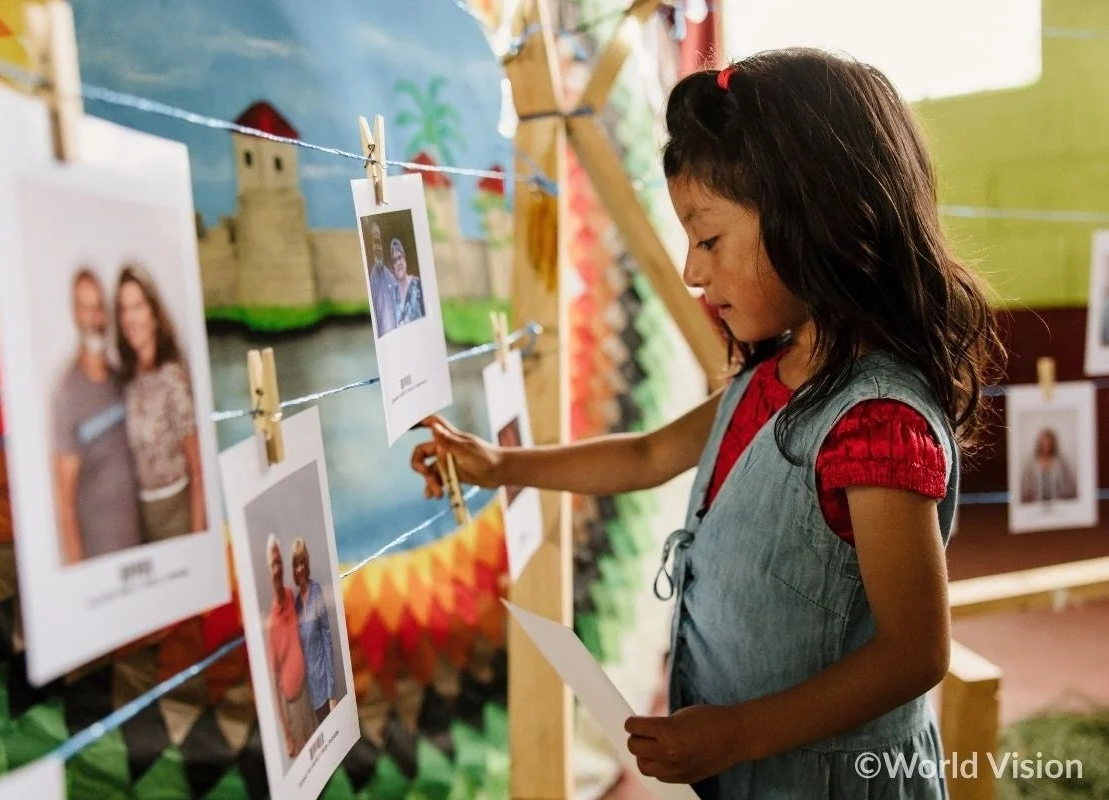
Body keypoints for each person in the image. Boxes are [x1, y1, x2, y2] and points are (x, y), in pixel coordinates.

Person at [411, 49, 1003, 798]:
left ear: (815, 218)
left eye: (710, 240)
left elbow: (915, 653)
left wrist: (738, 732)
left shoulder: (878, 425)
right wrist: (502, 466)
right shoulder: (772, 374)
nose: (693, 272)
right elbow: (647, 455)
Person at [52, 269, 143, 565]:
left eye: (98, 307)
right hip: (100, 557)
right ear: (75, 313)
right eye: (84, 307)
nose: (93, 317)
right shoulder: (68, 393)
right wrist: (80, 574)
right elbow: (65, 502)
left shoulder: (120, 379)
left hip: (139, 547)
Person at [115, 264, 207, 542]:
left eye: (138, 306)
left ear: (154, 314)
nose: (130, 318)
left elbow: (198, 468)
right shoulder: (127, 382)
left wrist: (198, 540)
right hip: (139, 522)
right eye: (123, 309)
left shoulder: (173, 378)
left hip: (176, 517)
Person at [264, 535, 317, 757]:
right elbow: (274, 685)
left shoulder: (288, 595)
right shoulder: (270, 625)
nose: (277, 569)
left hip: (308, 693)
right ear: (269, 570)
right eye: (273, 564)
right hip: (293, 702)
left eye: (279, 562)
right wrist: (287, 735)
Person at [291, 537, 338, 724]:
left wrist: (332, 693)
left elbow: (327, 642)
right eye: (296, 564)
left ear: (307, 563)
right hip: (309, 695)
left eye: (302, 562)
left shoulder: (316, 591)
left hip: (325, 691)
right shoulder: (296, 604)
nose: (300, 568)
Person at [1020, 427, 1077, 503]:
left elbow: (1071, 485)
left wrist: (1063, 495)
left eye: (1049, 442)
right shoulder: (1031, 463)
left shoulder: (1061, 462)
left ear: (1053, 443)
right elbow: (1024, 487)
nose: (1046, 445)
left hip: (1058, 504)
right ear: (1039, 443)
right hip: (1036, 505)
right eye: (1044, 441)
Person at [366, 221, 398, 337]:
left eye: (379, 242)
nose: (378, 247)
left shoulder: (391, 277)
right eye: (375, 242)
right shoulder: (370, 278)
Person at [389, 237, 425, 327]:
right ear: (393, 267)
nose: (398, 263)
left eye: (400, 257)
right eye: (395, 260)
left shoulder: (418, 285)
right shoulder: (392, 294)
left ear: (404, 259)